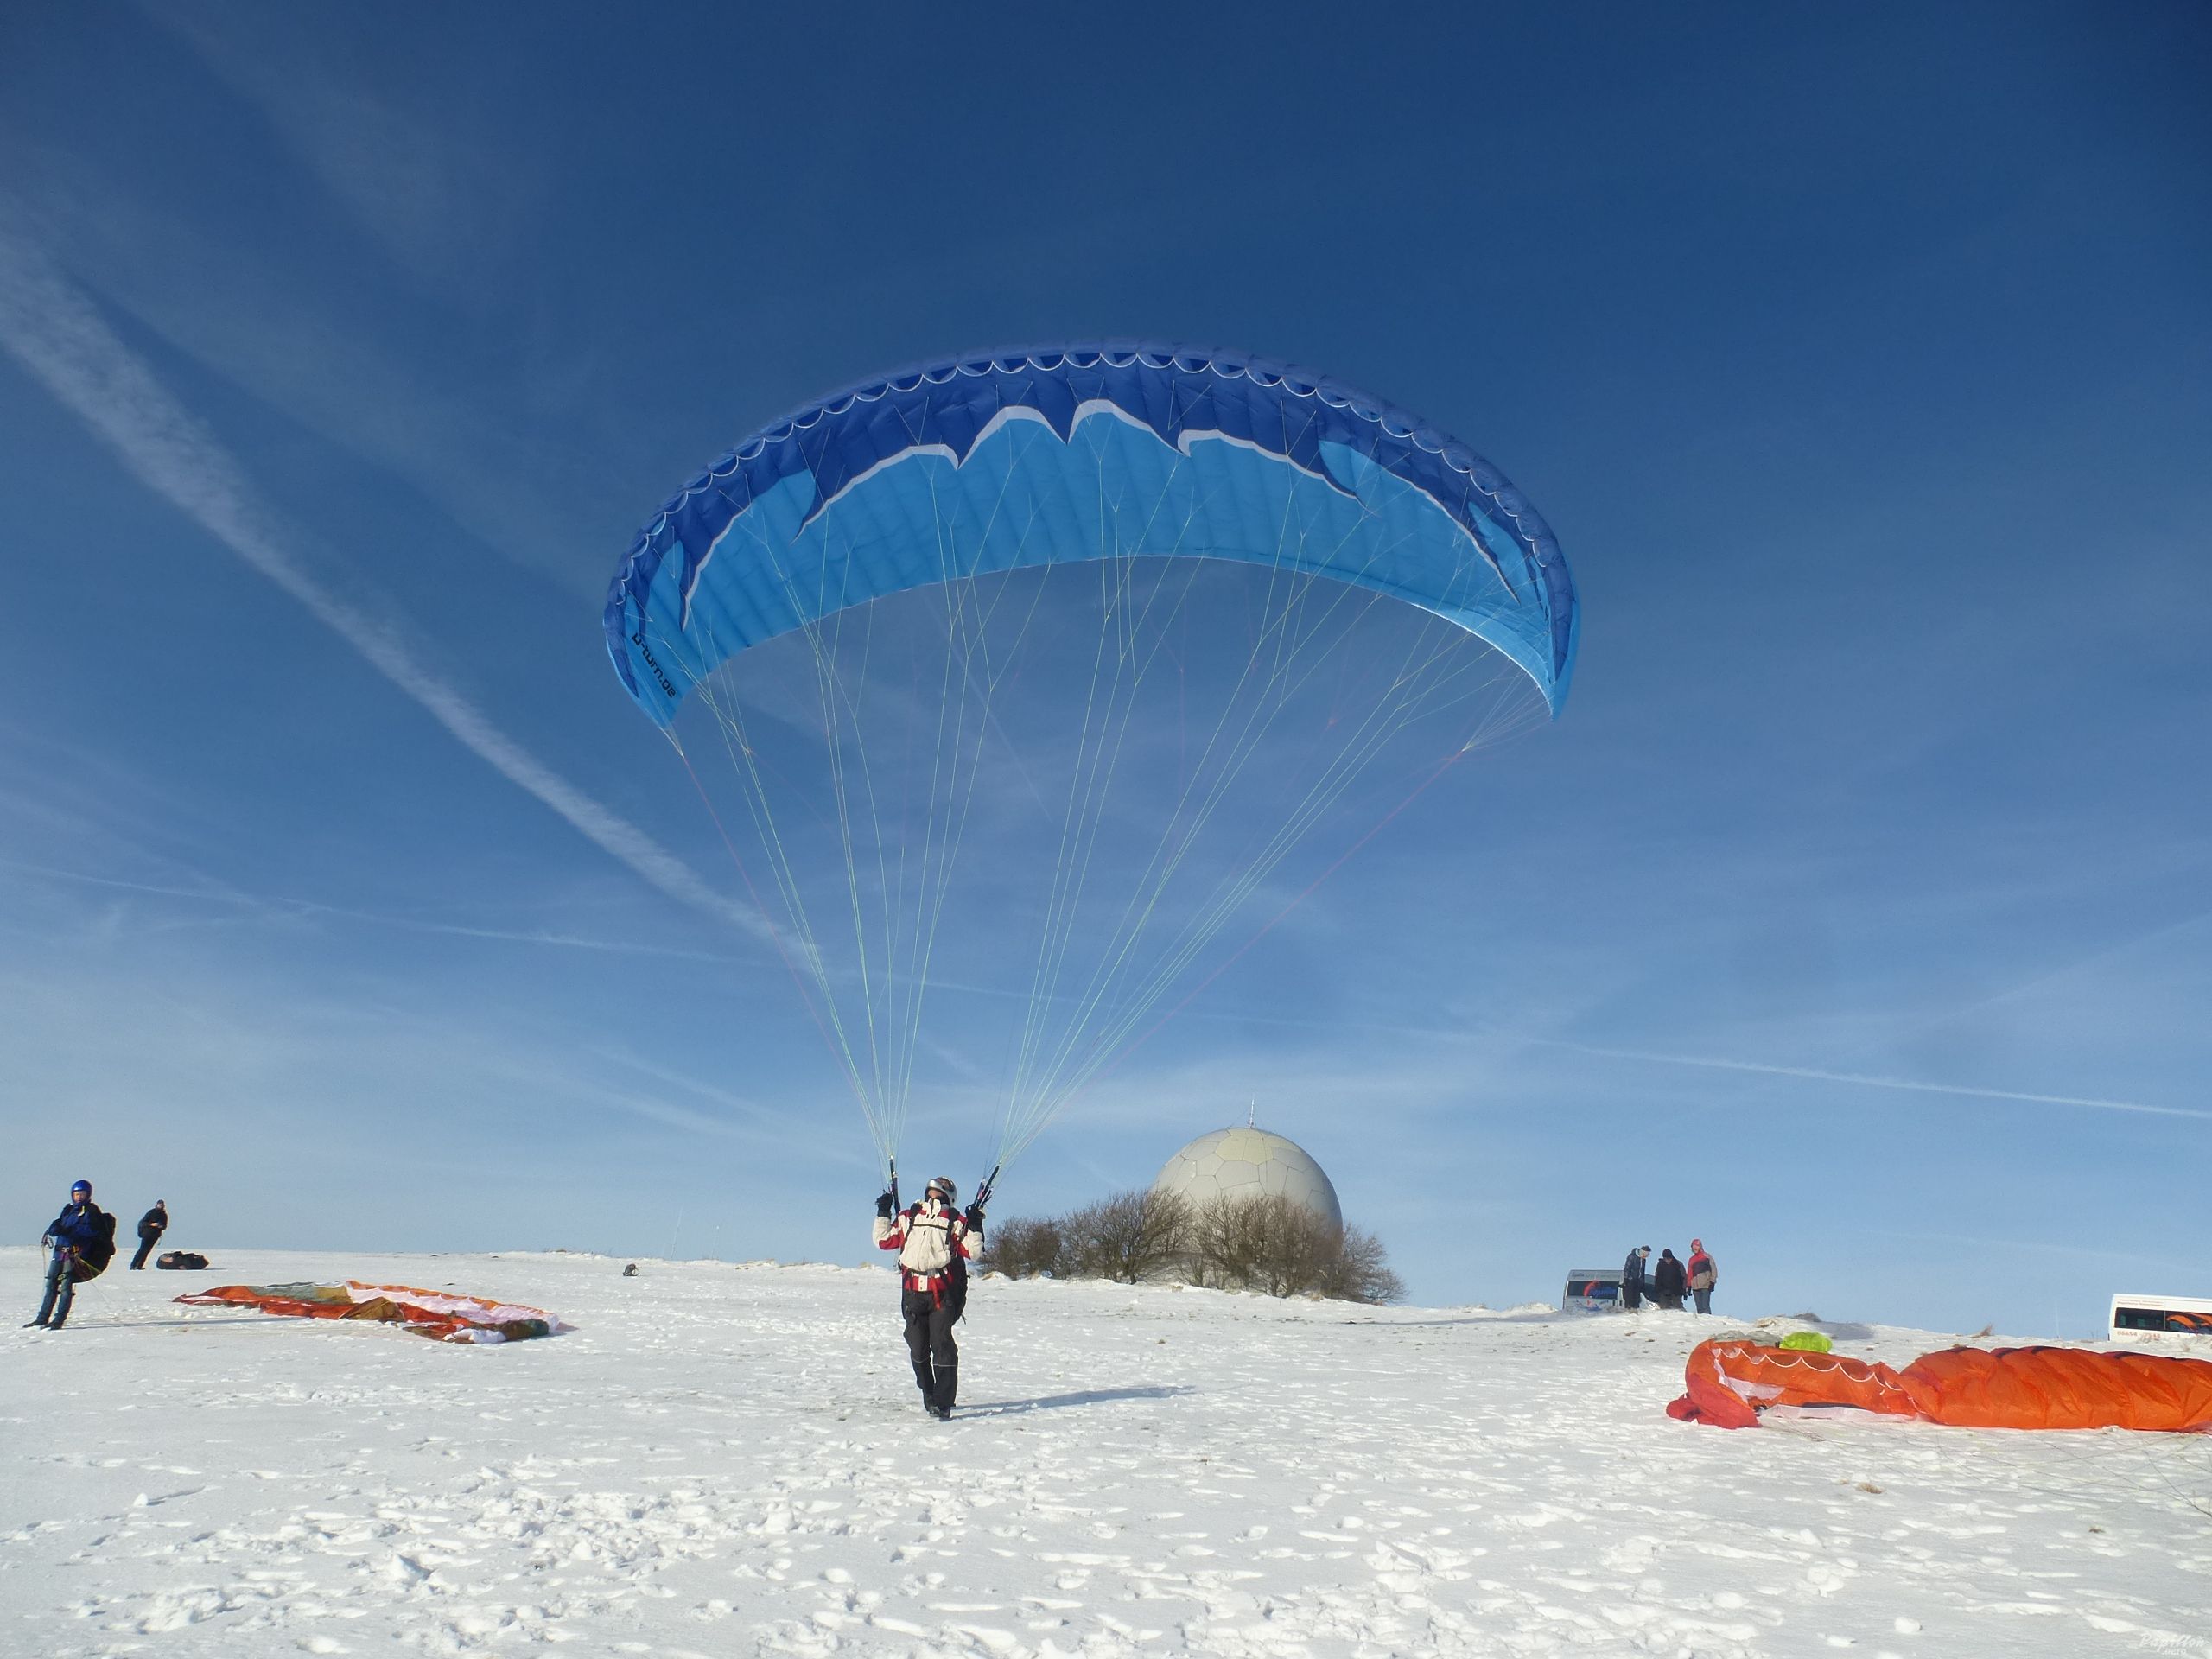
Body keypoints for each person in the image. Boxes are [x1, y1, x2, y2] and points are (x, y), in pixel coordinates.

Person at [874, 1175, 984, 1420]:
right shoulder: (909, 1216)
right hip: (913, 1293)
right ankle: (929, 1393)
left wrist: (976, 1225)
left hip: (941, 1295)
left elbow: (973, 1251)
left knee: (942, 1344)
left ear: (949, 1196)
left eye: (940, 1192)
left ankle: (943, 1403)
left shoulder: (956, 1221)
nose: (934, 1195)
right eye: (932, 1191)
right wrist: (883, 1212)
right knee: (917, 1346)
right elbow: (883, 1240)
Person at [29, 1179, 111, 1330]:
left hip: (74, 1254)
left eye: (82, 1194)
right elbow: (61, 1224)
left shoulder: (91, 1211)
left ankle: (59, 1320)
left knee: (66, 1286)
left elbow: (93, 1232)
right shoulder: (68, 1210)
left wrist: (70, 1231)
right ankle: (42, 1318)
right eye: (76, 1194)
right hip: (59, 1252)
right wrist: (54, 1228)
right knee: (51, 1283)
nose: (79, 1197)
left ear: (88, 1195)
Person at [130, 1200, 169, 1270]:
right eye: (159, 1204)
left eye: (162, 1205)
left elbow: (165, 1226)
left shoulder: (164, 1215)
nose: (160, 1206)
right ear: (157, 1205)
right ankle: (133, 1265)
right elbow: (143, 1222)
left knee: (147, 1251)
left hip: (155, 1235)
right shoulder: (151, 1212)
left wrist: (161, 1226)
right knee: (142, 1249)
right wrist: (151, 1224)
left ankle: (139, 1266)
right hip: (147, 1234)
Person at [1686, 1237, 1718, 1314]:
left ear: (1700, 1247)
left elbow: (1713, 1269)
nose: (1695, 1248)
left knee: (1705, 1306)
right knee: (1699, 1308)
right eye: (1693, 1246)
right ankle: (1701, 1321)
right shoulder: (1691, 1259)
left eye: (1696, 1246)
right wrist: (1689, 1286)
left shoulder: (1707, 1256)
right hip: (1695, 1287)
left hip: (1705, 1285)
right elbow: (1690, 1273)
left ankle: (1708, 1320)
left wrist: (1712, 1282)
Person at [1651, 1247, 1688, 1311]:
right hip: (1663, 1291)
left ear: (1671, 1257)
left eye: (1669, 1259)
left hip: (1677, 1291)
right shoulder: (1660, 1265)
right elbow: (1657, 1277)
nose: (1667, 1260)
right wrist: (1657, 1289)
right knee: (1664, 1309)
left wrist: (1684, 1290)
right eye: (1665, 1259)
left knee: (1677, 1309)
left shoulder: (1678, 1264)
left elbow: (1684, 1277)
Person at [1619, 1244, 1650, 1311]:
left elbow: (1642, 1272)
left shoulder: (1643, 1260)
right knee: (1630, 1299)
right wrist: (1626, 1279)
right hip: (1631, 1281)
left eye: (1647, 1255)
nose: (1646, 1257)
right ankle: (1629, 1310)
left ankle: (1635, 1311)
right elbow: (1627, 1268)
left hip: (1638, 1282)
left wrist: (1642, 1283)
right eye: (1645, 1255)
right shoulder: (1632, 1257)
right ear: (1642, 1253)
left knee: (1637, 1300)